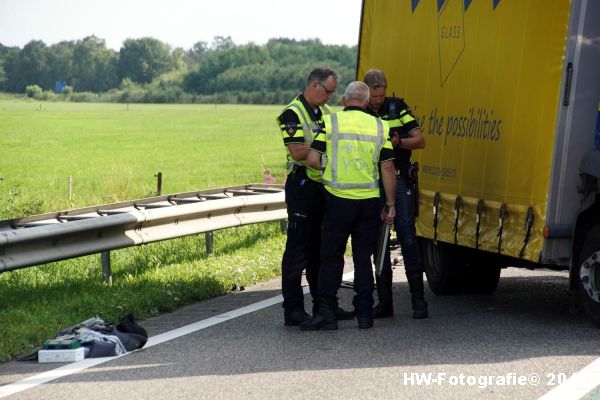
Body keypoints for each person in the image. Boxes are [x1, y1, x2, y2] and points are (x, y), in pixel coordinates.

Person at [300, 81, 396, 330]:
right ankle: (364, 315)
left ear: (345, 99)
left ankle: (327, 314)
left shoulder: (331, 123)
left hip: (337, 200)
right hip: (368, 203)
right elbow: (387, 167)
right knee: (363, 258)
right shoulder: (379, 125)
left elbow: (311, 159)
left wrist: (330, 169)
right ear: (365, 101)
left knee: (331, 258)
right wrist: (391, 204)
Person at [276, 67, 354, 326]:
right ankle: (294, 310)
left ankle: (325, 306)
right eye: (328, 91)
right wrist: (325, 150)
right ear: (314, 85)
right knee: (299, 251)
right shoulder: (292, 113)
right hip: (303, 187)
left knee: (323, 251)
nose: (330, 97)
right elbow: (298, 151)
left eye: (333, 93)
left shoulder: (325, 113)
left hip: (323, 187)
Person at [363, 68, 428, 319]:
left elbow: (420, 140)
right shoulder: (361, 111)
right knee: (378, 242)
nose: (379, 101)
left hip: (400, 177)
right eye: (375, 97)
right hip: (372, 180)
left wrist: (399, 143)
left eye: (382, 96)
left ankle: (419, 302)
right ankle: (385, 303)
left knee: (408, 239)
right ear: (367, 92)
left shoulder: (397, 107)